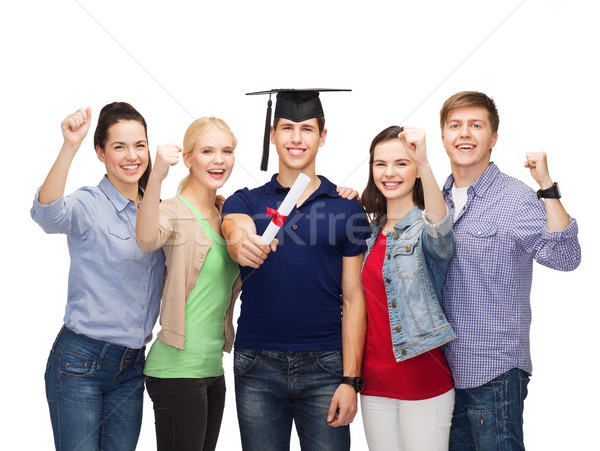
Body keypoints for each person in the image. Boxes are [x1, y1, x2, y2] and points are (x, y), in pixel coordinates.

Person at [221, 89, 370, 451]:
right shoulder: (247, 199)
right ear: (272, 135)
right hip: (257, 363)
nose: (296, 138)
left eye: (307, 128)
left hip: (326, 365)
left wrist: (351, 379)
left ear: (322, 136)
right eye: (287, 127)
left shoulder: (345, 208)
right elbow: (234, 229)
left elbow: (353, 298)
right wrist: (241, 243)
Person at [438, 91, 581, 450]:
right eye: (455, 125)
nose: (465, 134)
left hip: (493, 373)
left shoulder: (515, 198)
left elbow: (566, 258)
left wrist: (547, 187)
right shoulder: (434, 199)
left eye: (476, 125)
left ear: (493, 138)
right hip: (439, 375)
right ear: (443, 137)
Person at [30, 103, 166, 450]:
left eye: (140, 145)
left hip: (132, 368)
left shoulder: (158, 210)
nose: (132, 156)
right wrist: (69, 145)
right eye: (119, 147)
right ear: (100, 153)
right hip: (79, 365)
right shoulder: (89, 204)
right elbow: (47, 215)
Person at [135, 117, 241, 451]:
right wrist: (156, 176)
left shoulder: (227, 214)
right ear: (188, 158)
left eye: (226, 151)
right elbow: (147, 237)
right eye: (207, 151)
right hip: (176, 370)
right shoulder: (174, 211)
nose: (218, 160)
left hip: (212, 369)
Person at [359, 125, 456, 451]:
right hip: (373, 387)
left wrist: (426, 163)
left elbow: (441, 235)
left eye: (401, 163)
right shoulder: (369, 234)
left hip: (424, 386)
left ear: (415, 169)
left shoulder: (423, 228)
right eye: (380, 164)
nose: (389, 173)